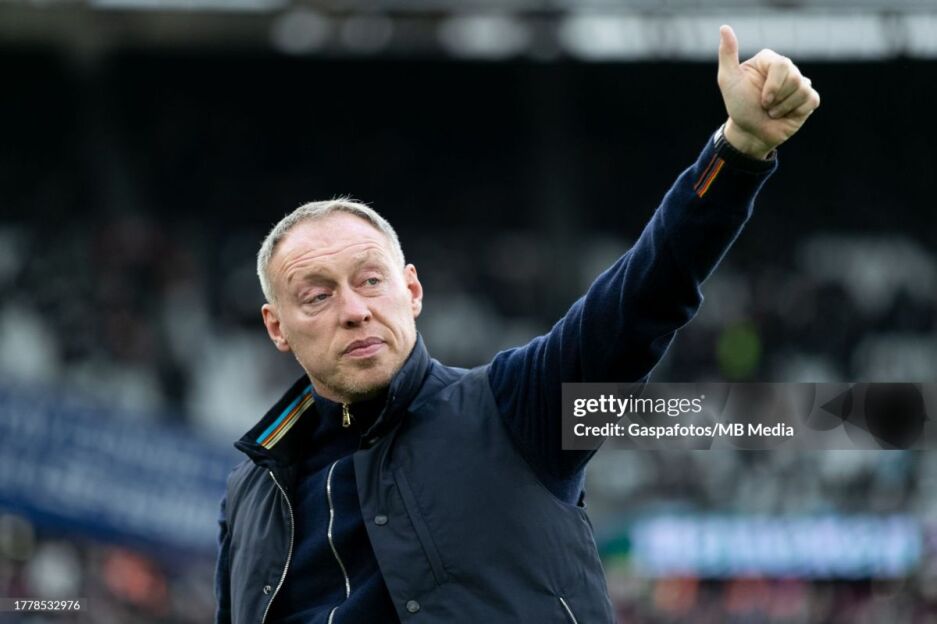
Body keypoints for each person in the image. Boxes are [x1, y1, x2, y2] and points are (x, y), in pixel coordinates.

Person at [214, 25, 820, 624]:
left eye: (371, 280)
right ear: (277, 327)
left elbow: (646, 293)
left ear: (412, 291)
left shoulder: (514, 408)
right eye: (317, 296)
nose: (354, 309)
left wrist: (737, 151)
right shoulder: (251, 492)